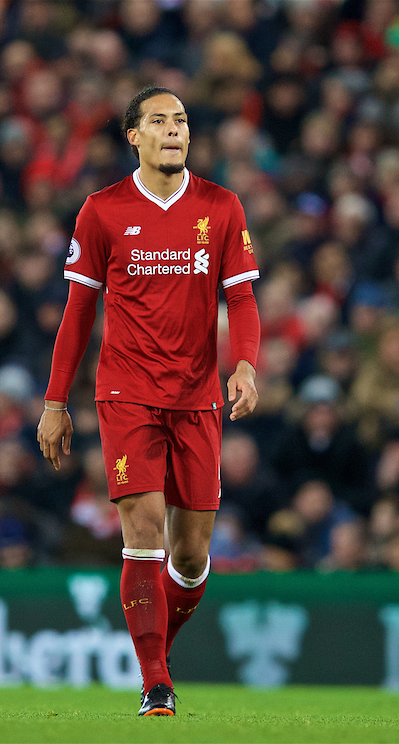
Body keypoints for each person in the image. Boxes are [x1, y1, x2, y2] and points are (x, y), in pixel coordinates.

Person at [36, 87, 261, 717]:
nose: (174, 130)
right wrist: (56, 401)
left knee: (189, 558)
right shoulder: (103, 211)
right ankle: (155, 681)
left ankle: (153, 648)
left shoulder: (220, 207)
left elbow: (240, 301)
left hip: (196, 397)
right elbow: (78, 312)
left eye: (182, 121)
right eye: (159, 121)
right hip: (126, 392)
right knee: (142, 533)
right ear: (133, 135)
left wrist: (244, 364)